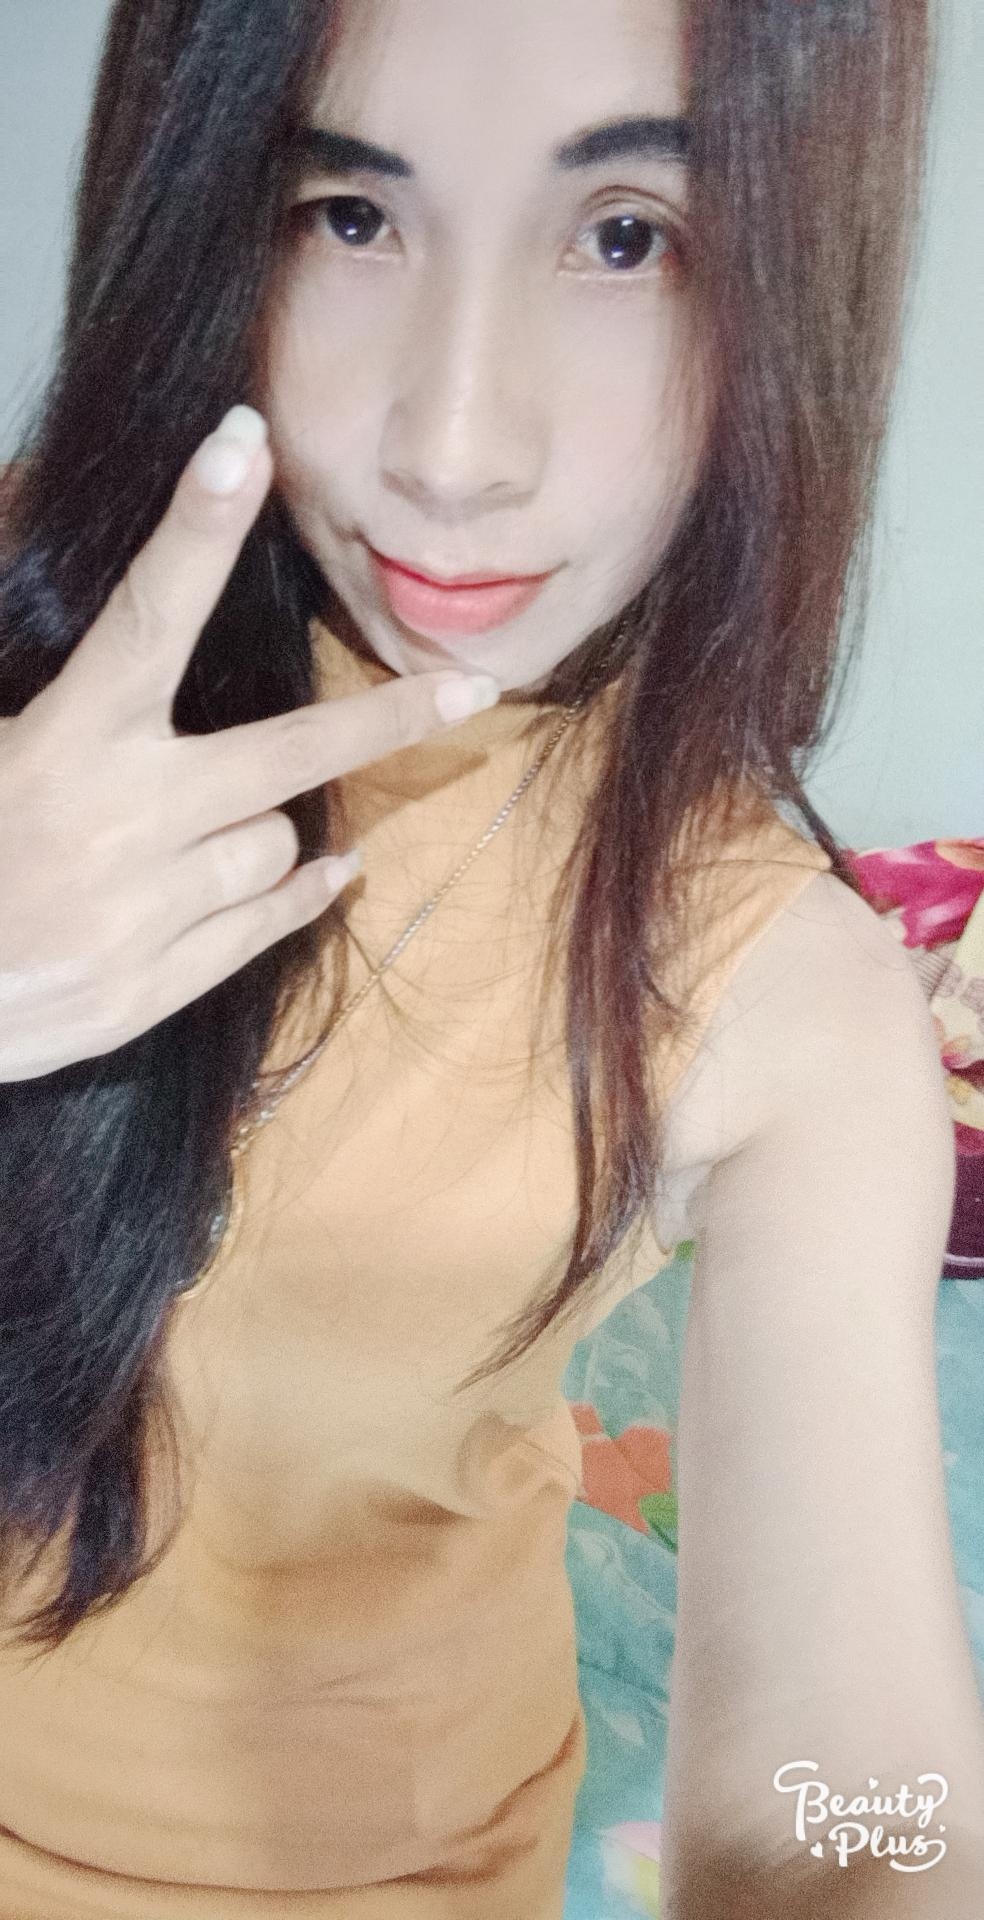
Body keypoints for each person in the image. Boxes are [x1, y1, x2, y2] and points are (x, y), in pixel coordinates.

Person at [0, 0, 981, 1915]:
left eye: (627, 236)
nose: (453, 449)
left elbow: (853, 1811)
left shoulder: (777, 990)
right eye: (349, 217)